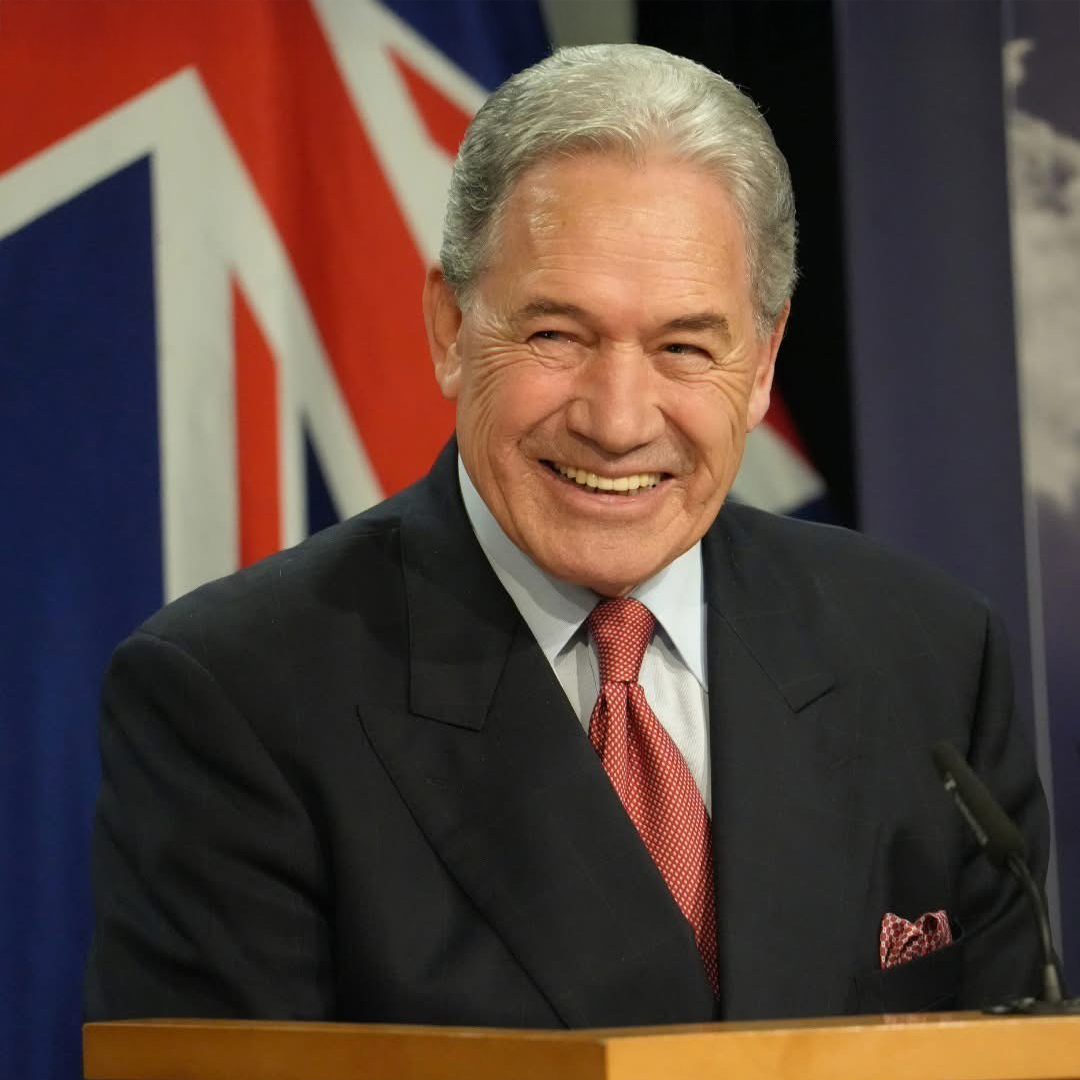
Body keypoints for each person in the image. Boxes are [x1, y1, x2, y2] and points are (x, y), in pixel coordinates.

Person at [85, 44, 1049, 1027]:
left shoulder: (927, 658)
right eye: (557, 335)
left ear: (762, 364)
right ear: (451, 328)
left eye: (684, 346)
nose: (618, 421)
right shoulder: (239, 698)